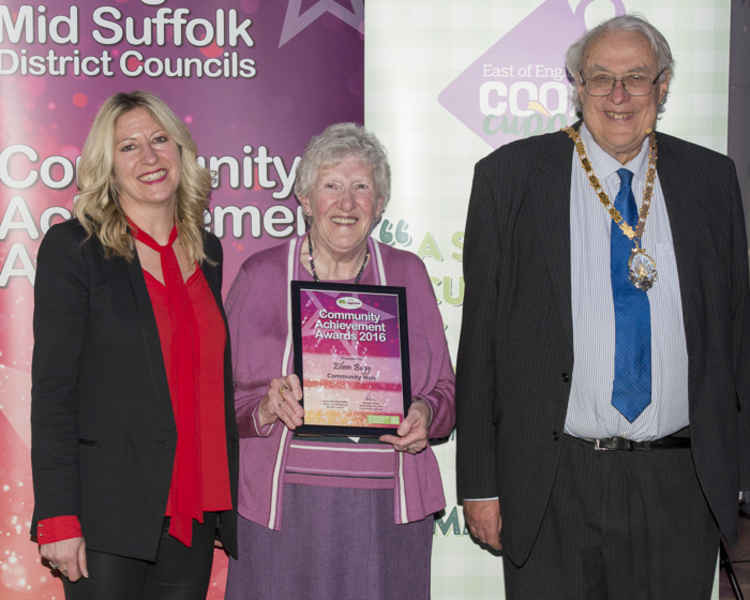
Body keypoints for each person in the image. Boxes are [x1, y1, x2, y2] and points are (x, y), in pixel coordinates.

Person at [456, 14, 750, 600]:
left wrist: (737, 472)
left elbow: (736, 335)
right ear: (577, 86)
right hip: (553, 479)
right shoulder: (509, 179)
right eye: (600, 79)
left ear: (662, 89)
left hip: (680, 482)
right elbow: (480, 342)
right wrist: (480, 484)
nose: (618, 96)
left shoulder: (712, 180)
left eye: (636, 78)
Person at [224, 122, 454, 600]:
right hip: (284, 506)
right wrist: (265, 409)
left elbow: (446, 391)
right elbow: (220, 401)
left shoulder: (408, 272)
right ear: (305, 199)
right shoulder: (261, 275)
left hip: (385, 508)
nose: (346, 204)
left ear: (380, 203)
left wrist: (426, 414)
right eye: (331, 186)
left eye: (361, 187)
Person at [30, 91, 238, 600]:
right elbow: (54, 391)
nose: (149, 156)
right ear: (107, 167)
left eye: (160, 139)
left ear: (181, 151)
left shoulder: (207, 250)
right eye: (129, 146)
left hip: (193, 512)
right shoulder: (74, 249)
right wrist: (57, 514)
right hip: (107, 514)